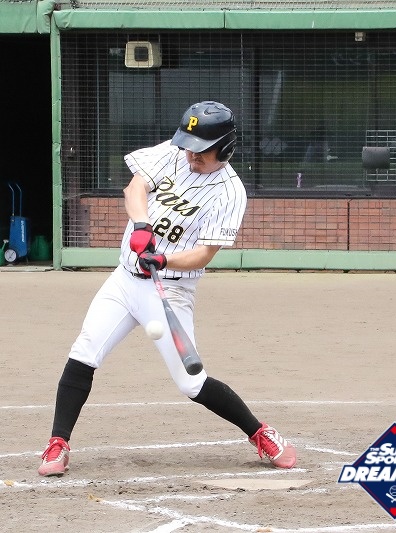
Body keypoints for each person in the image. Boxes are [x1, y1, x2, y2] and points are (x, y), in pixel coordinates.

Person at [37, 101, 297, 477]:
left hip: (170, 290)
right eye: (188, 146)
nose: (191, 155)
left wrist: (163, 259)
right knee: (84, 353)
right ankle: (58, 443)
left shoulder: (230, 193)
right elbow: (135, 188)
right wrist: (142, 226)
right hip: (125, 280)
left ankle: (259, 432)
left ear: (225, 148)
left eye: (201, 150)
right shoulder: (174, 153)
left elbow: (204, 254)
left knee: (191, 383)